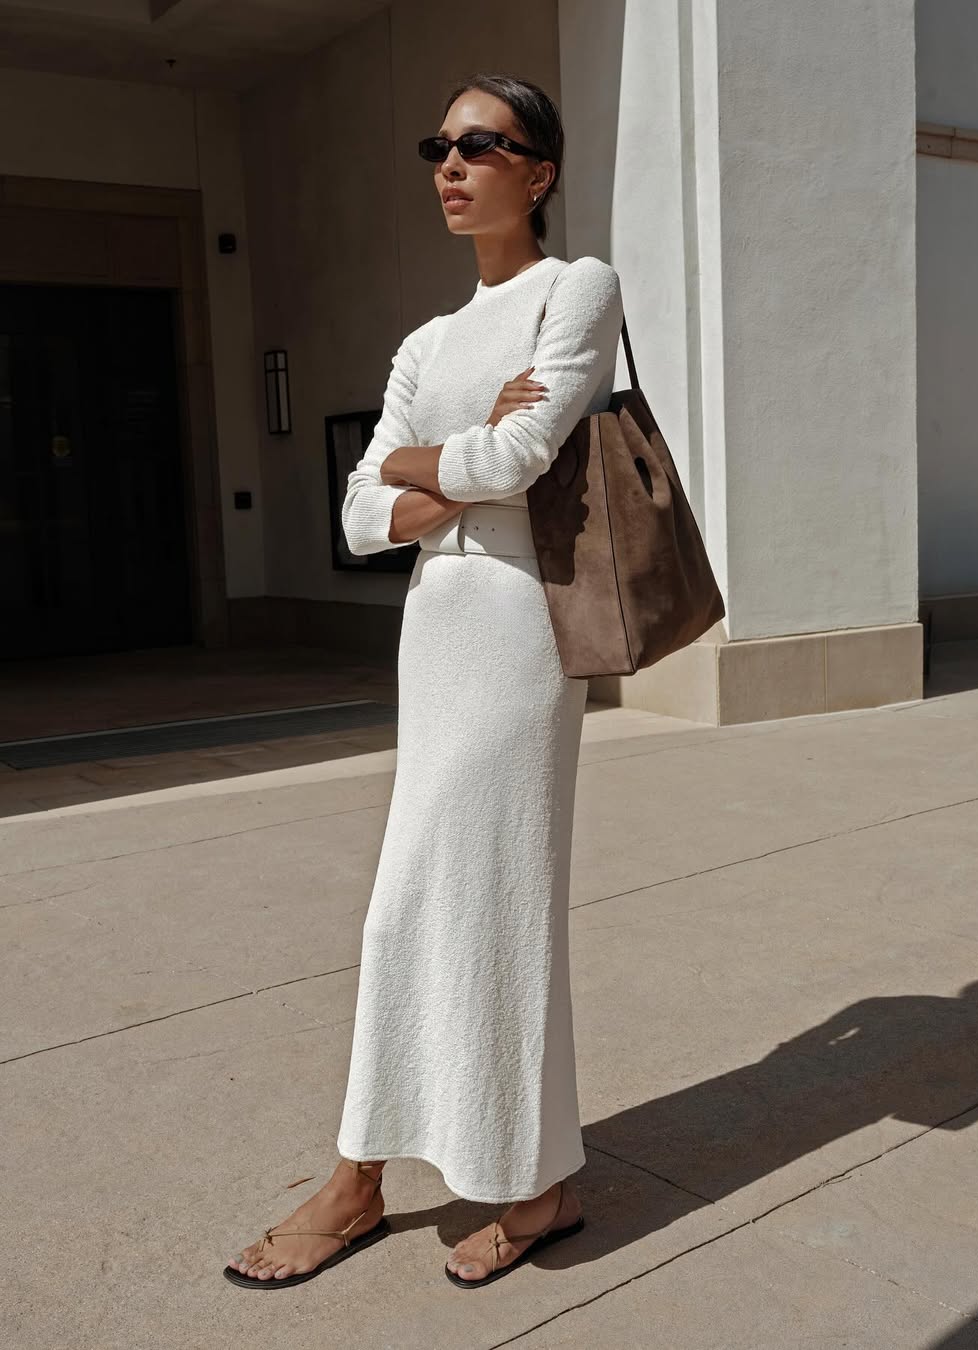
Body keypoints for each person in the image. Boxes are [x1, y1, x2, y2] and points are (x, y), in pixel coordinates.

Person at [224, 71, 624, 1291]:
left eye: (479, 146)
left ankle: (486, 1181)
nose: (450, 167)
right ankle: (393, 1171)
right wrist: (441, 472)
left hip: (517, 634)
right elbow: (357, 515)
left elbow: (524, 452)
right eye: (437, 148)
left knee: (494, 905)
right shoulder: (427, 341)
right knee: (413, 907)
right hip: (436, 629)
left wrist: (417, 468)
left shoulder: (578, 290)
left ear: (538, 171)